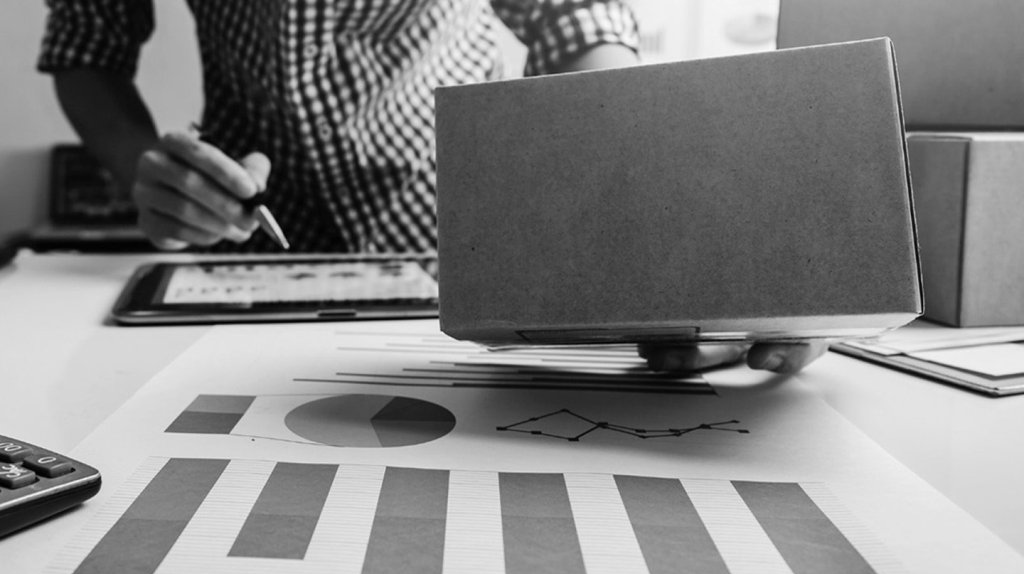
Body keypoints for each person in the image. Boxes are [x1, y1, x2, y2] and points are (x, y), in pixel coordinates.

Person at [39, 0, 824, 374]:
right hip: (253, 238)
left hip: (458, 228)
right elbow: (88, 39)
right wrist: (144, 169)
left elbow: (576, 19)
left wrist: (650, 193)